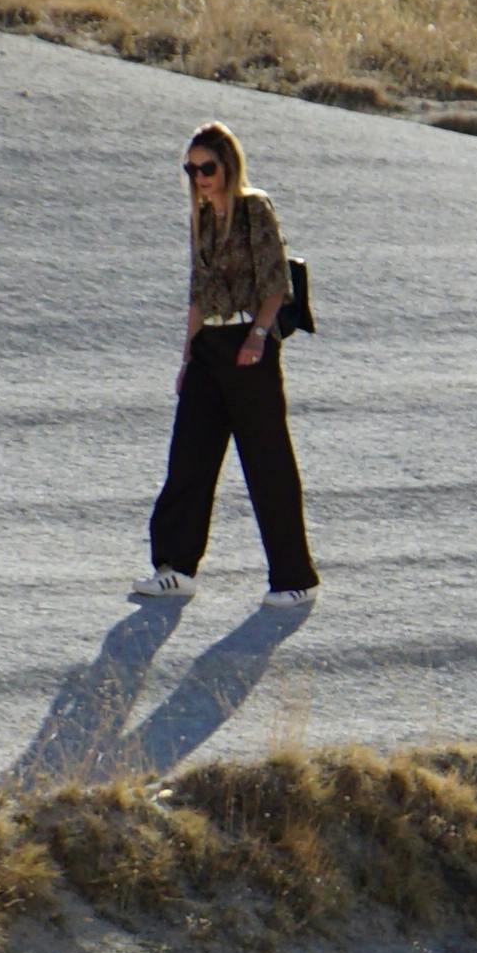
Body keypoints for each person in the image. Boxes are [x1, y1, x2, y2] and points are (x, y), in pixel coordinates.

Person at [141, 121, 317, 603]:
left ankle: (294, 580)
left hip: (248, 343)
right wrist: (186, 358)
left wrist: (259, 336)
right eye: (191, 168)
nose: (199, 176)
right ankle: (175, 569)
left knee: (268, 463)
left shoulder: (254, 209)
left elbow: (276, 281)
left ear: (227, 165)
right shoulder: (201, 217)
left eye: (207, 167)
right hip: (209, 348)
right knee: (188, 460)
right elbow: (197, 294)